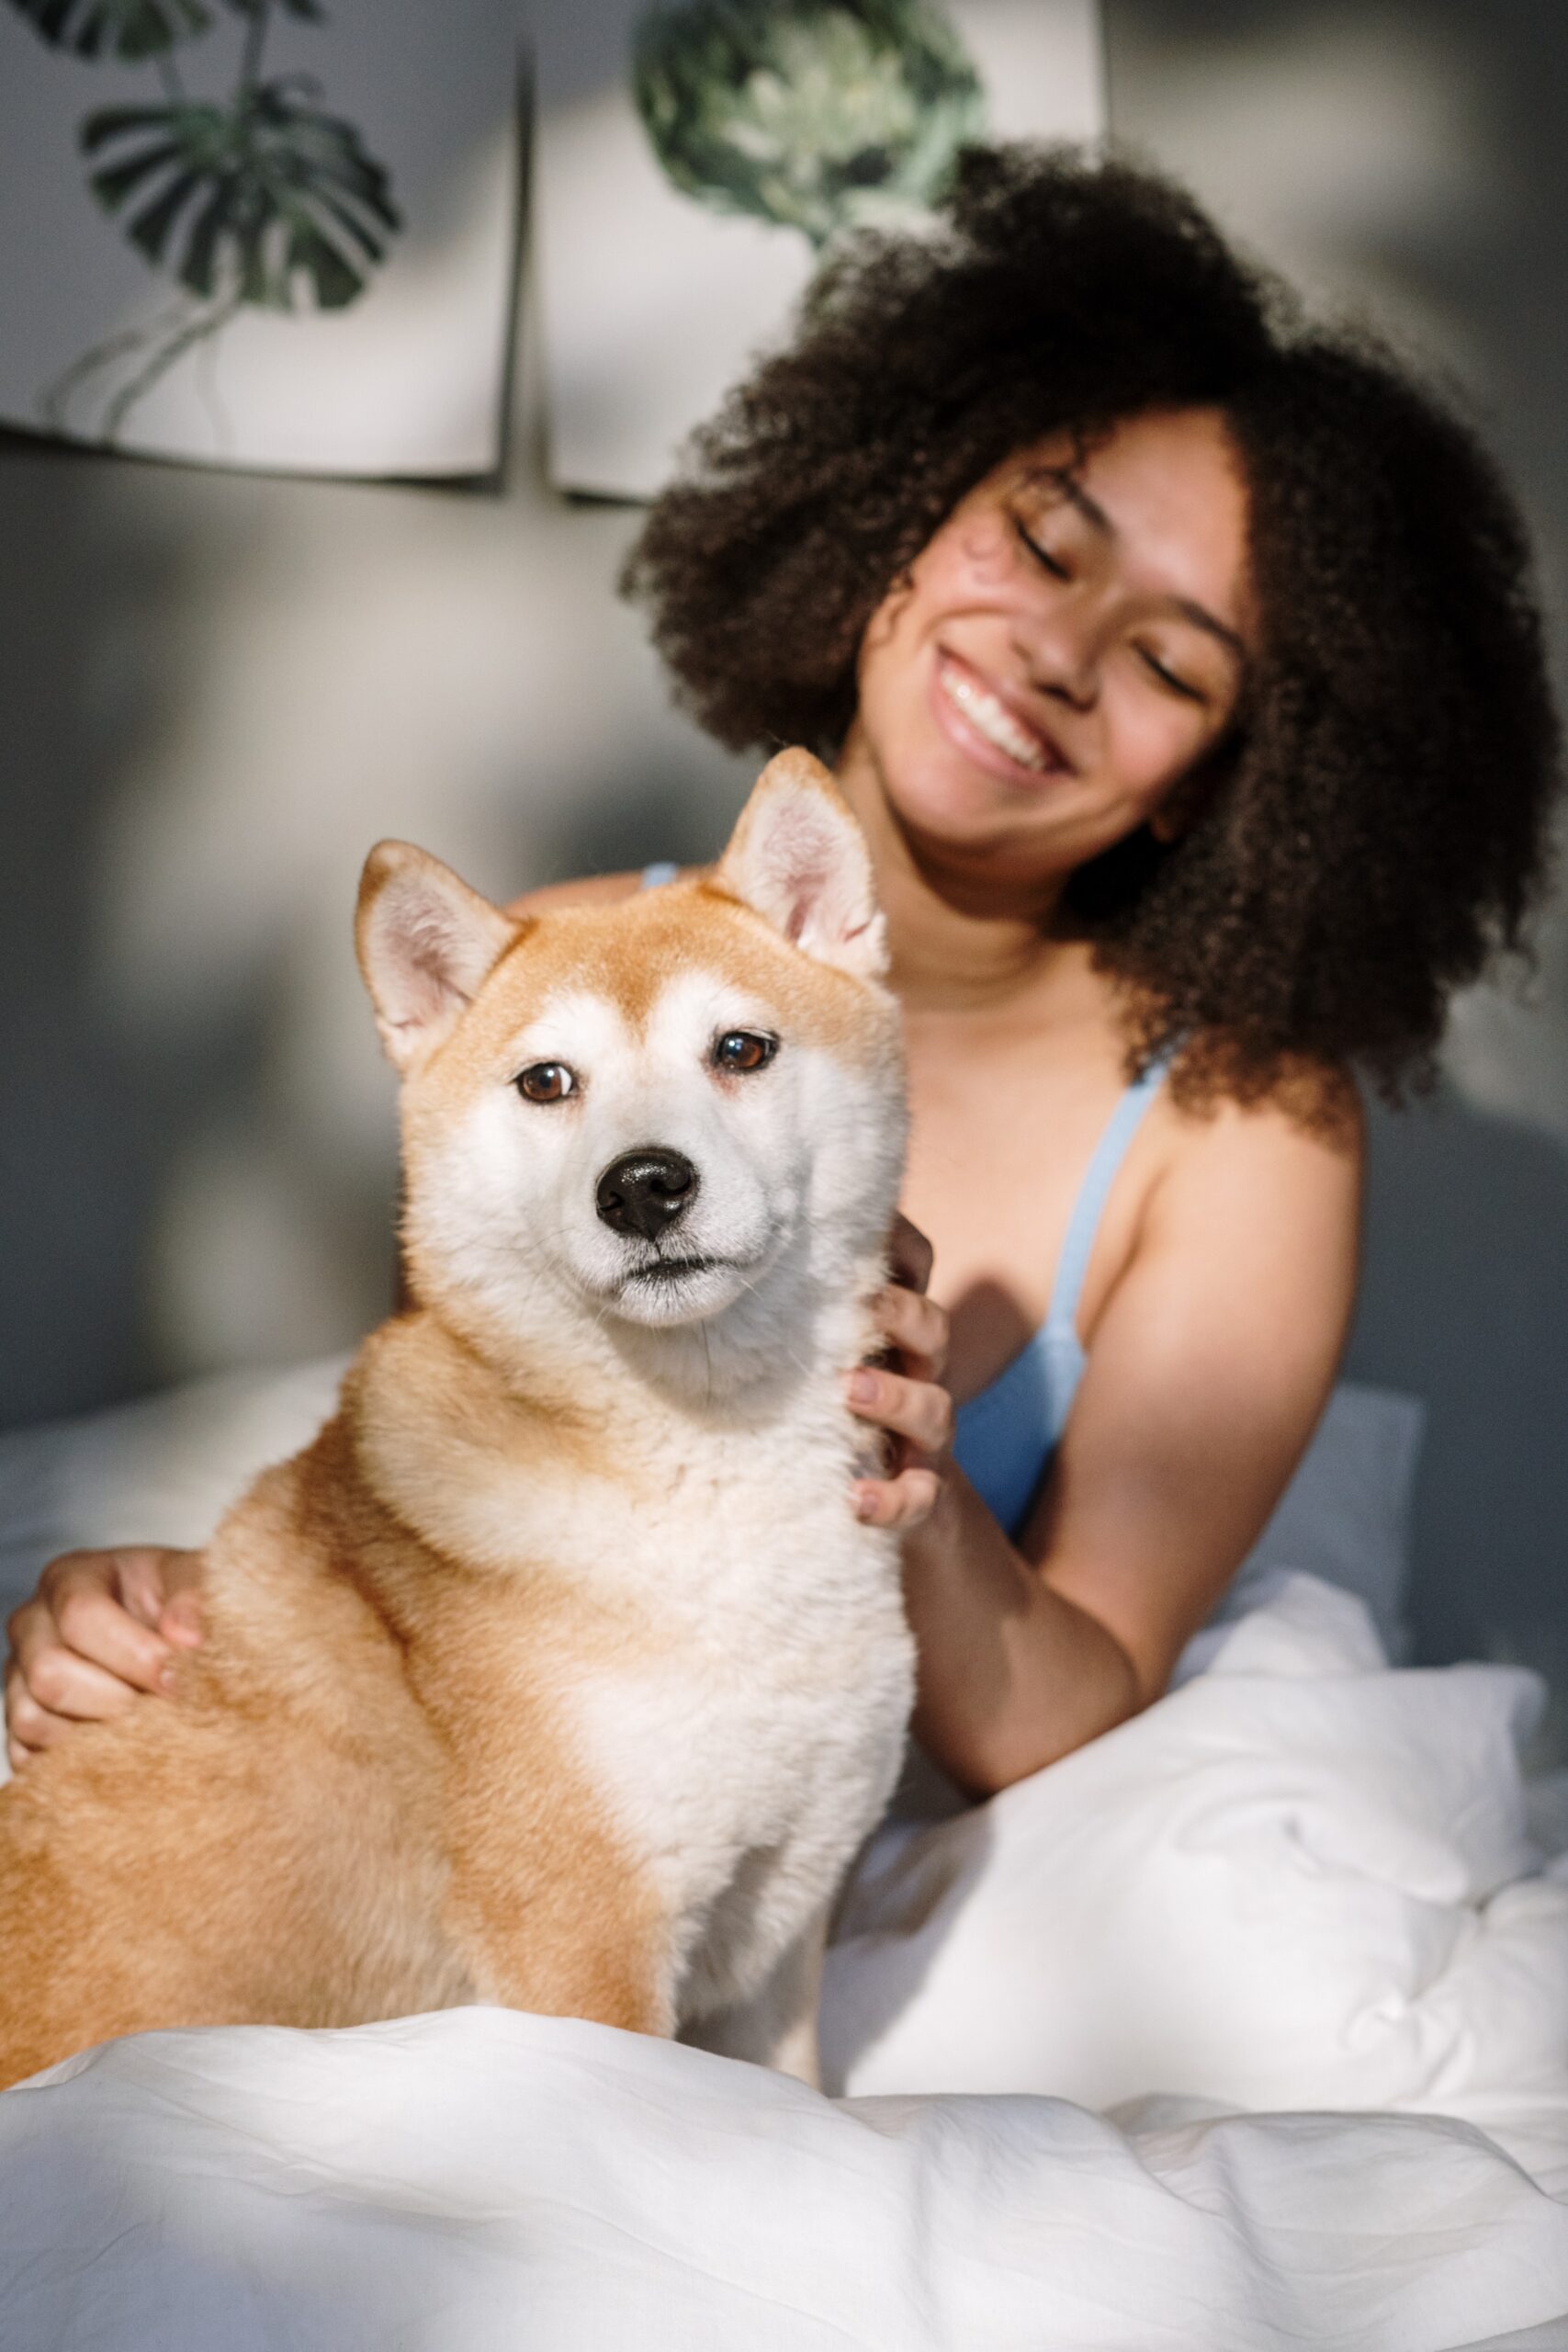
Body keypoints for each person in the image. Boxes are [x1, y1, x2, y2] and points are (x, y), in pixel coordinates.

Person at [6, 149, 1558, 1802]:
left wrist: (913, 1478)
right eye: (1039, 540)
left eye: (1171, 662)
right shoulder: (539, 964)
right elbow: (453, 1534)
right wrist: (179, 1617)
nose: (1057, 651)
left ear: (1218, 779)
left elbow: (1060, 1712)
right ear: (909, 506)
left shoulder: (1249, 1127)